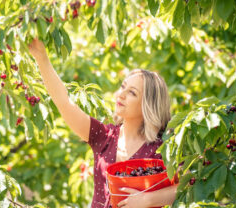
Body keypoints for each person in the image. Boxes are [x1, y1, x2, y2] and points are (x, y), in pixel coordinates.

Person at [28, 38, 178, 208]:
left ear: (148, 106)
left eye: (132, 93)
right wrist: (41, 58)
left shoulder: (163, 148)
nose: (121, 95)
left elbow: (188, 185)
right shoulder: (104, 137)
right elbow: (64, 102)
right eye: (122, 87)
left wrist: (147, 200)